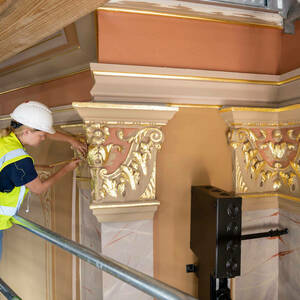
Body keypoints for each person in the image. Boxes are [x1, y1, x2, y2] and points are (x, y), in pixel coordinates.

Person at [0, 101, 87, 259]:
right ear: (26, 132)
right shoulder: (19, 159)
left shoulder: (5, 141)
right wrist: (66, 169)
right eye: (41, 135)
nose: (43, 139)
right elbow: (38, 188)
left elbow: (46, 132)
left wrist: (71, 140)